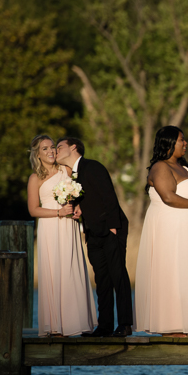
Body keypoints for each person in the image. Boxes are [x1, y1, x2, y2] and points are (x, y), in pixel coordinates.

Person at [135, 126, 188, 336]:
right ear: (168, 143)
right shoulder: (160, 167)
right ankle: (173, 325)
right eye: (181, 140)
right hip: (172, 232)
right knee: (174, 274)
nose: (185, 143)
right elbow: (168, 197)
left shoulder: (184, 167)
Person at [56, 136, 134, 337]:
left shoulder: (92, 167)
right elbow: (91, 198)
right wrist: (80, 209)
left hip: (110, 229)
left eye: (59, 147)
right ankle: (105, 326)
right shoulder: (73, 176)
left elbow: (109, 196)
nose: (56, 151)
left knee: (118, 276)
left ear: (74, 147)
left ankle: (125, 324)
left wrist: (113, 229)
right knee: (102, 279)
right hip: (92, 232)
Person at [27, 134, 96, 337]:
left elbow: (82, 193)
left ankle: (76, 322)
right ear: (38, 154)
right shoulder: (35, 178)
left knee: (70, 268)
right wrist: (58, 212)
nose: (51, 152)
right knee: (54, 271)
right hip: (50, 227)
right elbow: (33, 210)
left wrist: (79, 207)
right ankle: (55, 325)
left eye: (53, 147)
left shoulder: (66, 170)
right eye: (45, 149)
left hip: (69, 226)